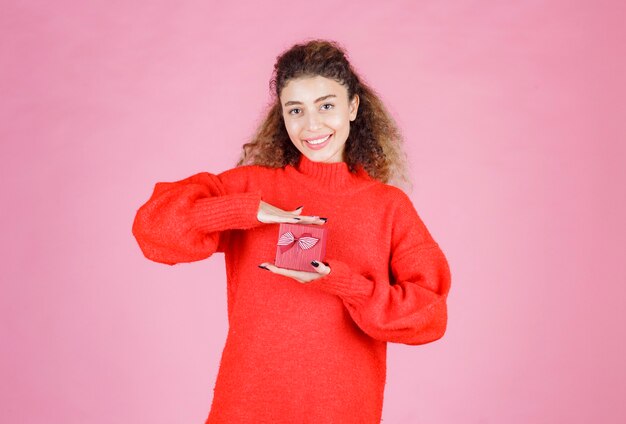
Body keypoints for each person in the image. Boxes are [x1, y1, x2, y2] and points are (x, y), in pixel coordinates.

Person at [132, 39, 451, 424]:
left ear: (353, 108)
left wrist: (342, 282)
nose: (312, 125)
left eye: (327, 106)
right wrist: (245, 209)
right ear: (282, 116)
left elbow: (428, 316)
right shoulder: (252, 186)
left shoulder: (388, 206)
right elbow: (152, 229)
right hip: (246, 408)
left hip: (341, 412)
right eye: (296, 110)